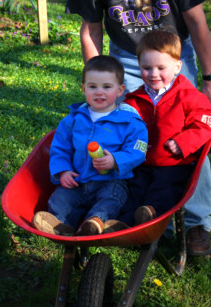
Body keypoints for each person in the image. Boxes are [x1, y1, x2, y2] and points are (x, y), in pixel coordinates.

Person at [66, 0, 211, 255]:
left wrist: (209, 77)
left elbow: (196, 20)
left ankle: (198, 221)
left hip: (172, 57)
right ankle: (118, 207)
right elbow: (90, 31)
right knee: (111, 130)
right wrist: (99, 84)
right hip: (125, 58)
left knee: (187, 134)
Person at [32, 55, 148, 236]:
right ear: (83, 88)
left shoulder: (129, 122)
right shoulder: (73, 120)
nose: (99, 92)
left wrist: (115, 160)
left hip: (111, 181)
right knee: (60, 198)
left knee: (110, 200)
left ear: (120, 90)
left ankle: (96, 223)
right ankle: (60, 225)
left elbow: (138, 150)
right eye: (93, 87)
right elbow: (60, 148)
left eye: (107, 87)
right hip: (78, 180)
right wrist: (63, 171)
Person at [122, 31, 211, 251]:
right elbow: (124, 126)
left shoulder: (188, 95)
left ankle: (153, 223)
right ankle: (124, 225)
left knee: (162, 192)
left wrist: (183, 142)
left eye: (161, 68)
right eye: (147, 68)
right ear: (139, 66)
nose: (153, 74)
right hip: (143, 164)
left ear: (177, 67)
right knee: (134, 190)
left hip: (174, 165)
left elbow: (207, 122)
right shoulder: (134, 99)